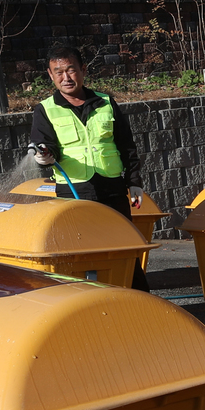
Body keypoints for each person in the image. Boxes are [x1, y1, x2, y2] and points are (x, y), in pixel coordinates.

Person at [29, 43, 151, 292]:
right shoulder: (45, 110)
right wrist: (43, 156)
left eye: (71, 70)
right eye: (58, 72)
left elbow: (126, 145)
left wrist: (134, 182)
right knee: (79, 254)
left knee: (124, 248)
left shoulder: (106, 102)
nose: (66, 77)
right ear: (50, 75)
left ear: (83, 70)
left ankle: (139, 301)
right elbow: (44, 144)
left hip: (112, 190)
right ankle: (86, 304)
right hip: (73, 194)